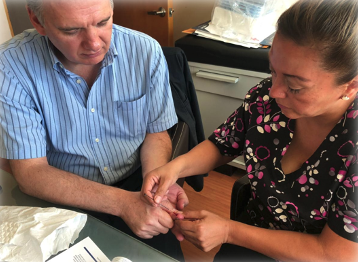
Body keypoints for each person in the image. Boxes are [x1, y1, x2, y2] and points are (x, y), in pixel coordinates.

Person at [141, 0, 358, 261]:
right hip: (253, 234)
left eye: (295, 86)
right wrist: (175, 168)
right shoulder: (264, 98)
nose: (274, 91)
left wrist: (229, 231)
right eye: (273, 70)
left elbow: (335, 253)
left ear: (349, 87)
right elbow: (222, 144)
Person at [0, 0, 187, 260]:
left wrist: (156, 189)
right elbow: (30, 172)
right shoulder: (10, 66)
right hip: (59, 193)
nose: (95, 43)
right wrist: (122, 204)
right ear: (37, 21)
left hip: (136, 181)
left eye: (102, 22)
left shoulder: (145, 51)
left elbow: (155, 133)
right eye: (70, 30)